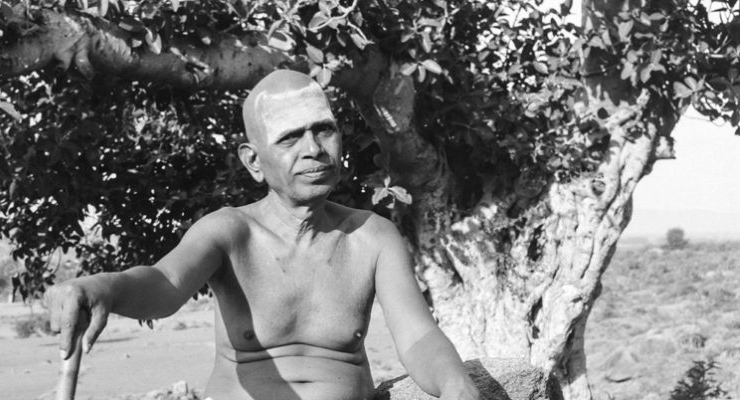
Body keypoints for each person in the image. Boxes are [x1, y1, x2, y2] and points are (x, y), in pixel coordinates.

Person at [45, 70, 481, 400]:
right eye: (290, 138)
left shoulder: (372, 236)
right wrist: (103, 287)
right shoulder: (230, 232)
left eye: (323, 129)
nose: (313, 148)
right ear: (254, 162)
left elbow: (418, 336)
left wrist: (456, 384)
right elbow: (163, 286)